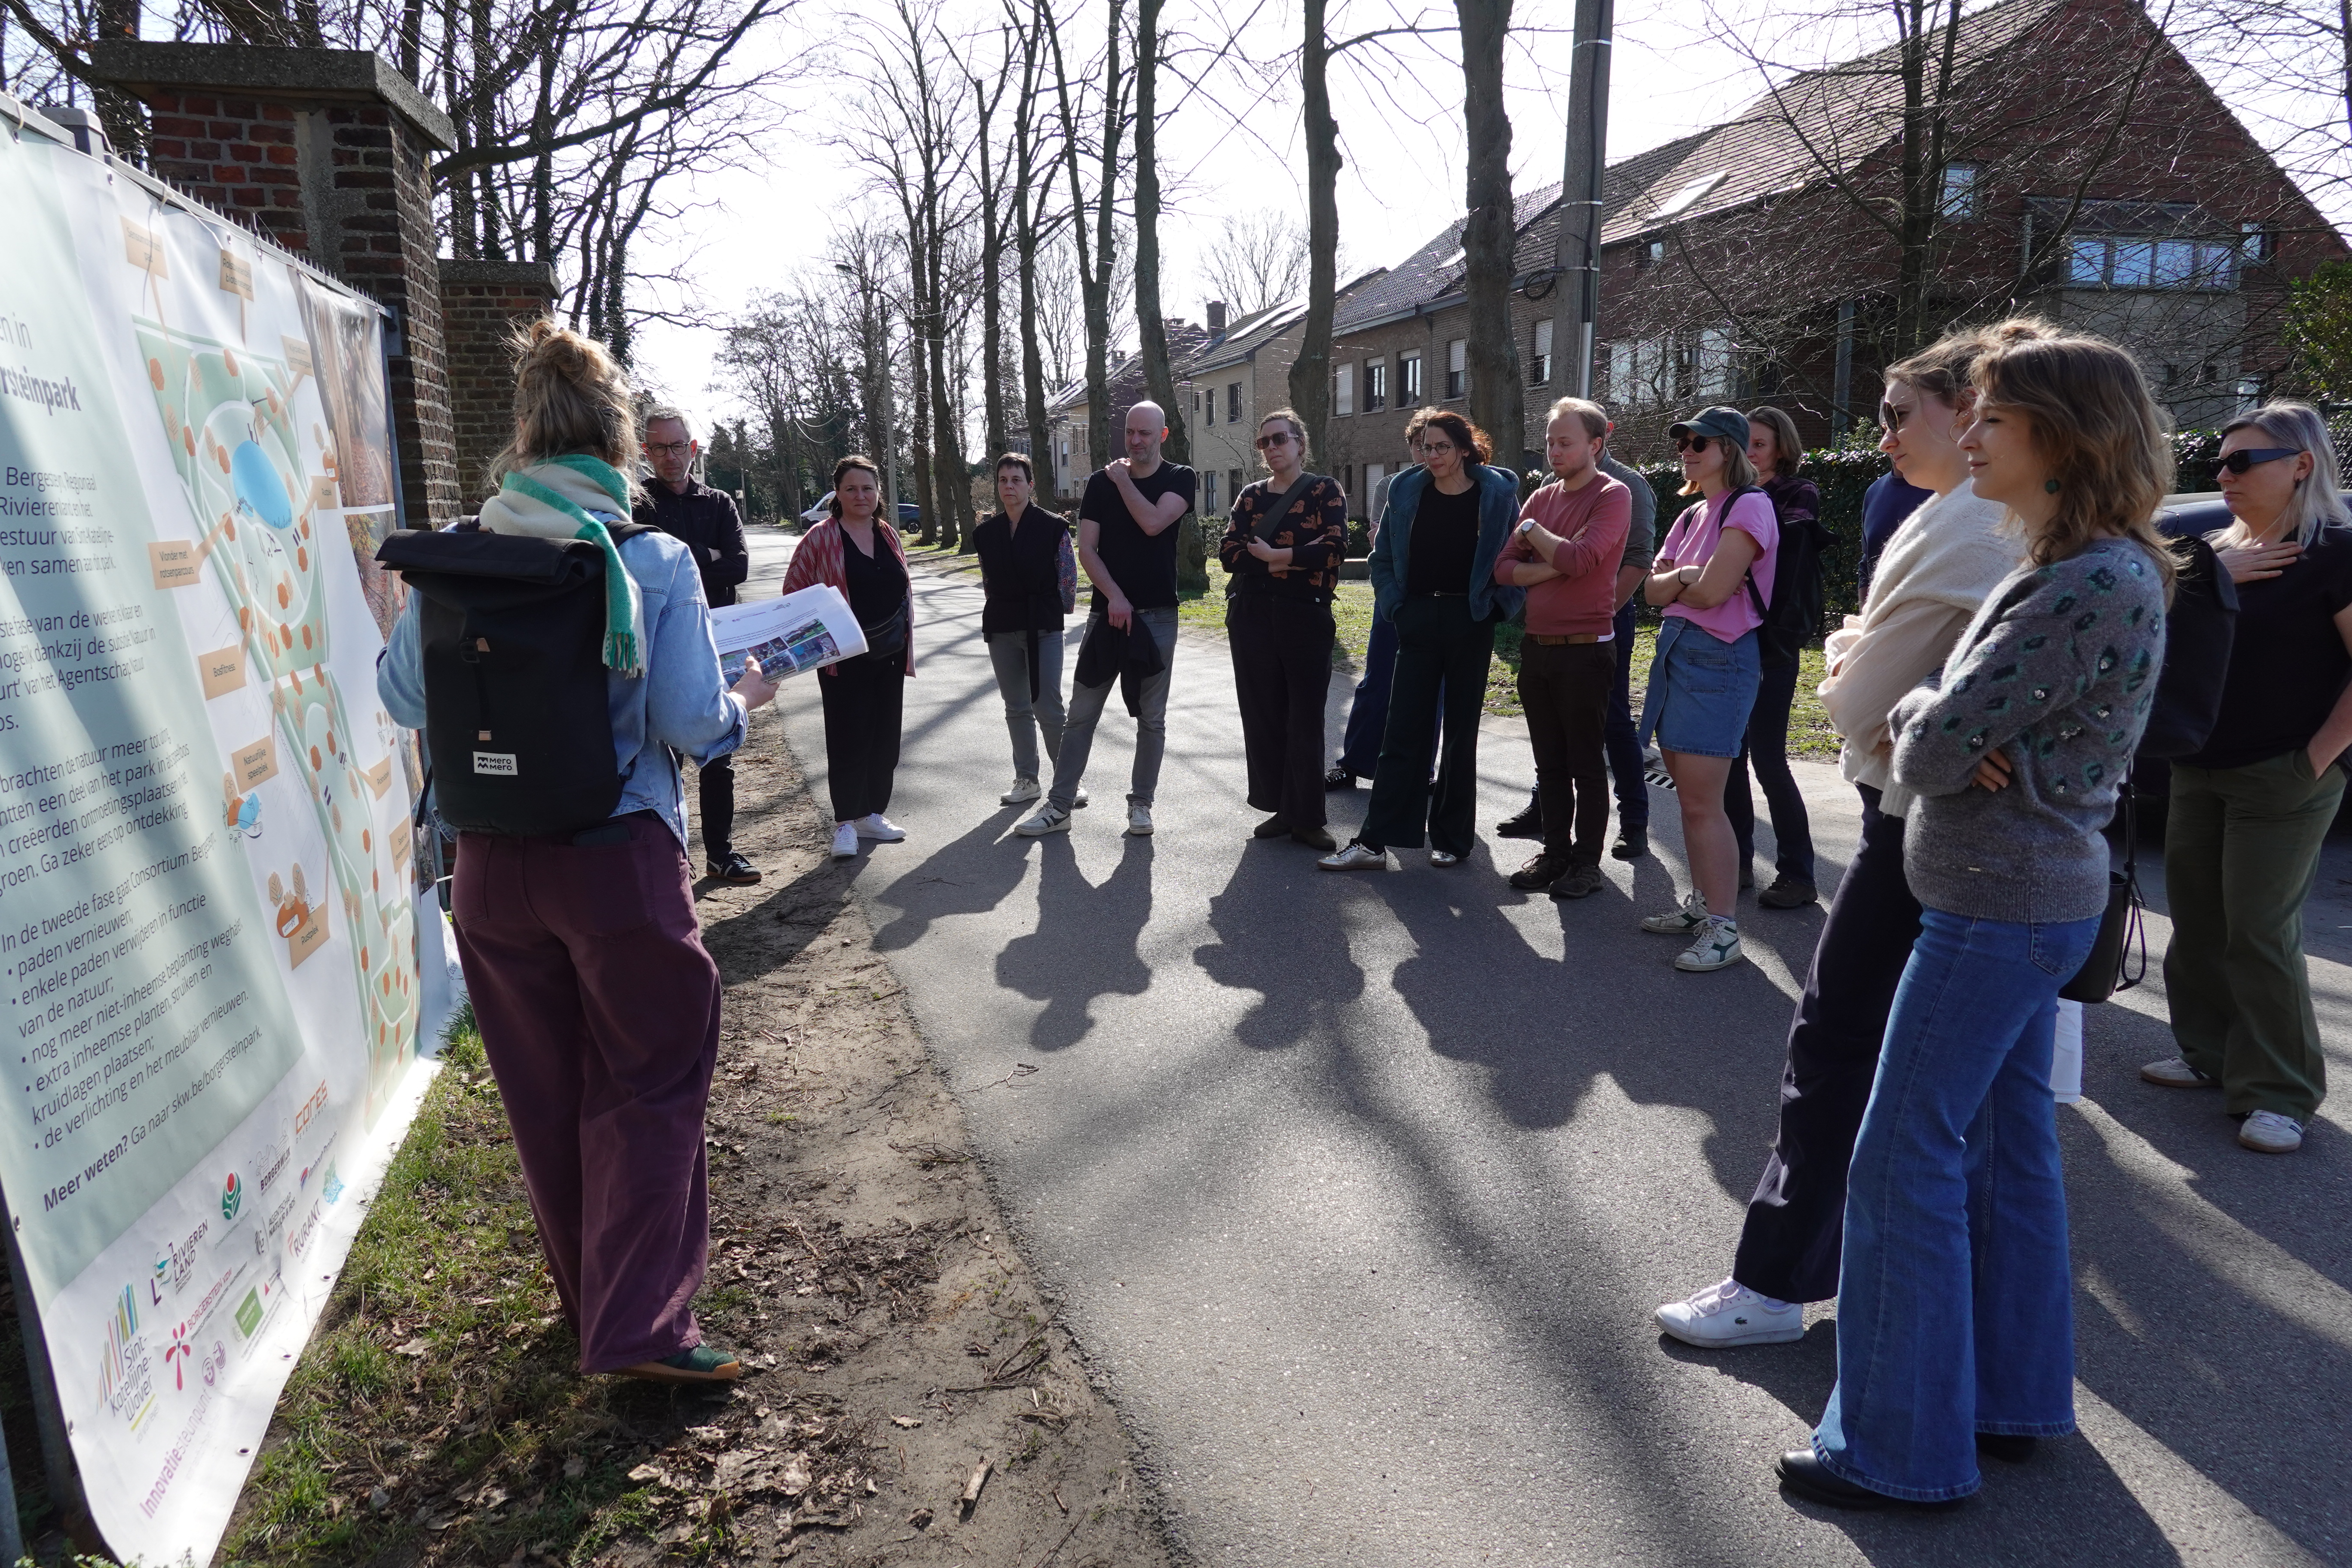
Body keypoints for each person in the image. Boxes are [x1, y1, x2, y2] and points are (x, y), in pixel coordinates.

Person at [1779, 331, 2173, 1511]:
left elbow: (1934, 746)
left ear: (2062, 436)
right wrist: (1942, 718)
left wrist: (1916, 704)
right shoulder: (2084, 566)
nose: (1971, 432)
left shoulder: (2082, 581)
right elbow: (1955, 735)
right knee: (2005, 1151)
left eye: (1994, 418)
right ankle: (2009, 1397)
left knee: (1902, 1157)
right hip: (2019, 900)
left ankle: (1897, 1449)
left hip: (1996, 907)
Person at [378, 322, 778, 1385]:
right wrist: (745, 701)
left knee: (544, 1096)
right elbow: (690, 722)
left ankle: (594, 1305)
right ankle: (643, 1329)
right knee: (651, 1079)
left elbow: (401, 697)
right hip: (615, 860)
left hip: (488, 869)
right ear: (619, 441)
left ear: (522, 433)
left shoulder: (458, 554)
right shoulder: (649, 559)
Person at [1656, 322, 2040, 1349]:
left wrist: (1872, 679)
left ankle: (1776, 1284)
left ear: (1969, 412)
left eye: (1898, 415)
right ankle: (1958, 1318)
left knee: (1836, 1047)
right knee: (1963, 1084)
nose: (1882, 437)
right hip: (1933, 813)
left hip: (1917, 823)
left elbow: (1854, 695)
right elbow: (1860, 657)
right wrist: (1869, 667)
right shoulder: (1955, 512)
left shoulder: (1972, 525)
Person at [2144, 401, 2352, 1156]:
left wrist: (2316, 757)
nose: (2224, 474)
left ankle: (2279, 1092)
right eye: (2219, 462)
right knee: (2198, 920)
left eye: (2242, 461)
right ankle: (2207, 1053)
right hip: (2198, 765)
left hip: (2283, 774)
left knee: (2259, 931)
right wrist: (2207, 580)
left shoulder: (2334, 550)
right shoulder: (2210, 552)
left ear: (2301, 464)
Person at [1320, 409, 1524, 870]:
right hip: (1416, 618)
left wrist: (1498, 608)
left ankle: (1453, 838)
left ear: (1465, 449)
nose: (1432, 455)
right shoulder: (1405, 490)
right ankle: (1373, 842)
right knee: (1401, 731)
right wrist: (1397, 607)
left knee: (1460, 736)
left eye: (1442, 447)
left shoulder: (1496, 494)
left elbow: (1518, 553)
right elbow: (1382, 558)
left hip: (1471, 620)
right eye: (1427, 447)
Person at [1634, 407, 1779, 971]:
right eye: (1683, 443)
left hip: (1719, 659)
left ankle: (1724, 929)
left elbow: (1714, 591)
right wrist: (1683, 581)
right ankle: (1703, 906)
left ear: (1730, 451)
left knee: (1702, 804)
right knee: (1692, 802)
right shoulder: (1694, 513)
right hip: (1678, 652)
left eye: (1701, 443)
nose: (1687, 451)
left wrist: (1682, 584)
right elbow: (1652, 592)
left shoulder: (1750, 505)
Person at [1017, 401, 1197, 838]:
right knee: (1081, 714)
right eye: (1130, 432)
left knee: (1151, 718)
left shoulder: (1180, 478)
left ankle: (1141, 806)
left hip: (1158, 616)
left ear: (1163, 435)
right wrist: (1115, 597)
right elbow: (1087, 549)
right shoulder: (1100, 483)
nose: (1135, 441)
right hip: (1107, 615)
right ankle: (1059, 806)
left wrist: (1123, 480)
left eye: (1145, 433)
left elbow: (1153, 523)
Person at [1495, 425, 1659, 861]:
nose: (1554, 450)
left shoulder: (1623, 489)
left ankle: (1632, 823)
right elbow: (1506, 567)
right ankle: (1551, 838)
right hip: (1543, 638)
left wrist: (1597, 604)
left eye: (1565, 442)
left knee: (1610, 728)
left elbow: (1636, 559)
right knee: (1552, 754)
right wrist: (1561, 566)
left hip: (1600, 626)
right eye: (1551, 441)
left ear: (1597, 442)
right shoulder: (1545, 493)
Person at [634, 407, 756, 885]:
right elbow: (641, 572)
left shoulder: (719, 504)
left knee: (718, 752)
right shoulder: (638, 505)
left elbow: (738, 568)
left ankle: (720, 853)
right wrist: (707, 554)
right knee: (667, 757)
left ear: (694, 448)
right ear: (646, 452)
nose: (671, 456)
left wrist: (678, 559)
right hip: (662, 642)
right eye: (659, 447)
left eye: (678, 446)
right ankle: (672, 861)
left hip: (718, 638)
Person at [1221, 409, 1349, 850]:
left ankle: (1309, 819)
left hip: (1306, 615)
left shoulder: (1323, 490)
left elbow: (1335, 548)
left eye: (1280, 439)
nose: (1272, 447)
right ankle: (1282, 809)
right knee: (1264, 716)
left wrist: (1276, 557)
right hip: (1252, 615)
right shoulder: (1251, 496)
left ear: (1300, 443)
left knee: (1305, 718)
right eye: (1265, 442)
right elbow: (1229, 554)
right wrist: (1297, 558)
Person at [780, 455, 914, 860]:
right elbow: (793, 592)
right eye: (851, 489)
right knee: (848, 739)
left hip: (890, 654)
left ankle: (871, 814)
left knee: (885, 739)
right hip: (843, 659)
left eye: (868, 488)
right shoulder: (820, 538)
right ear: (837, 494)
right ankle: (845, 824)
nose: (861, 495)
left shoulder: (887, 534)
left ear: (879, 493)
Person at [1724, 406, 1820, 907]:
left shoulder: (1797, 493)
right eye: (1744, 445)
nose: (1750, 453)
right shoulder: (1730, 496)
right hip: (1730, 643)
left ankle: (1798, 875)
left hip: (1773, 647)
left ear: (1781, 448)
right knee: (1731, 758)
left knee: (1767, 760)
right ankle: (1737, 862)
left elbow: (1781, 562)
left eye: (1759, 445)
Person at [973, 453, 1084, 809]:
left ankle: (1067, 783)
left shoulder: (1053, 527)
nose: (1009, 486)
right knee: (1016, 707)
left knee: (1048, 706)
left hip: (1043, 625)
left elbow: (1068, 576)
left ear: (1030, 485)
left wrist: (1056, 611)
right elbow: (988, 579)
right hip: (1002, 625)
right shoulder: (985, 533)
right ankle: (1027, 779)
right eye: (1003, 480)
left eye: (1016, 480)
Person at [1857, 469, 1934, 602]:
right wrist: (1864, 609)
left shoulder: (1947, 490)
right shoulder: (1874, 492)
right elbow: (1867, 560)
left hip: (1934, 611)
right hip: (1882, 612)